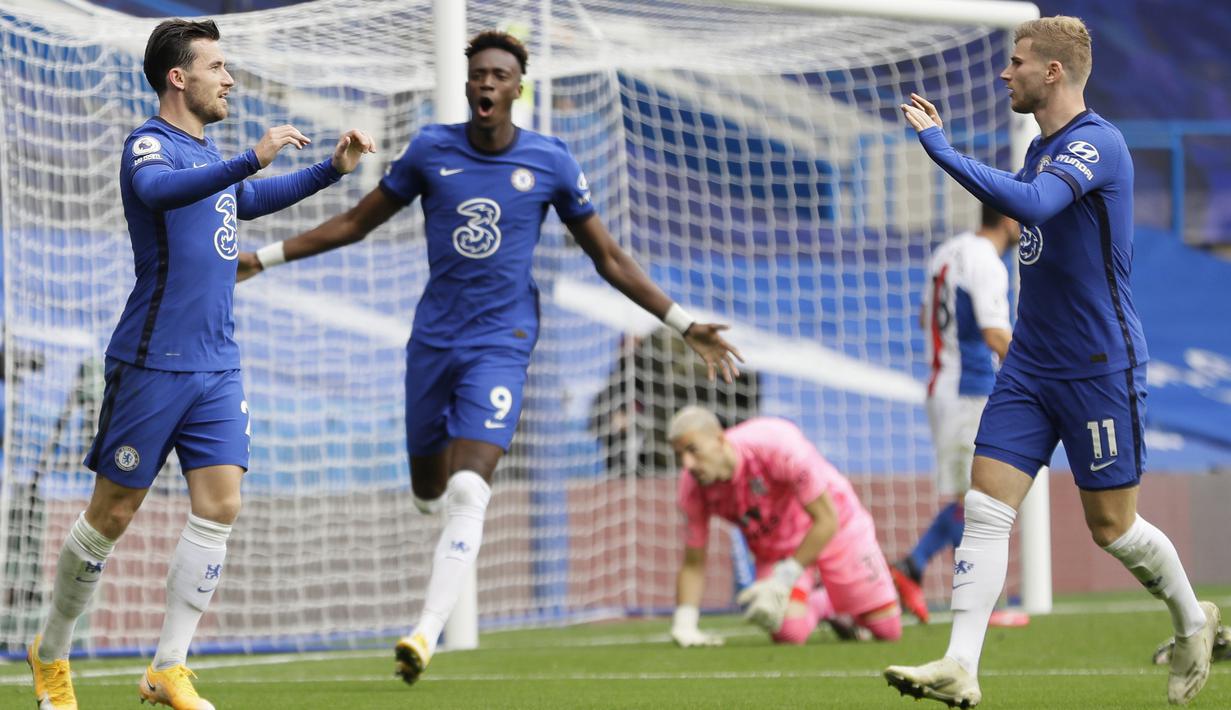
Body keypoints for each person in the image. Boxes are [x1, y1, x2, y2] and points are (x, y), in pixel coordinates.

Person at [236, 31, 742, 686]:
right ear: (468, 83)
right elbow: (357, 222)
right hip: (433, 342)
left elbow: (609, 258)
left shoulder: (549, 160)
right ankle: (431, 517)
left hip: (502, 343)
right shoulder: (430, 149)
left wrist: (683, 323)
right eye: (478, 73)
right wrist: (264, 257)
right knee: (429, 491)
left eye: (499, 75)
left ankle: (424, 632)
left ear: (516, 88)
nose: (485, 83)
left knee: (470, 487)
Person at [25, 19, 374, 710]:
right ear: (178, 77)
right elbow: (159, 192)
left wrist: (331, 169)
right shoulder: (149, 145)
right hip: (153, 361)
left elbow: (247, 200)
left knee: (220, 505)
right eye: (217, 67)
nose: (230, 79)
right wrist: (251, 156)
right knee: (112, 514)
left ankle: (168, 667)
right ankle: (52, 653)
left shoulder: (208, 155)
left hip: (218, 364)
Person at [884, 16, 1220, 708]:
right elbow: (1025, 209)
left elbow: (1034, 205)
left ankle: (1193, 620)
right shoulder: (1040, 149)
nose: (1004, 72)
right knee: (985, 505)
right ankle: (960, 663)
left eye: (1016, 62)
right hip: (1030, 368)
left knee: (1112, 529)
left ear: (1052, 71)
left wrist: (940, 147)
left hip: (1097, 366)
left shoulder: (1097, 143)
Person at [667, 406, 901, 648]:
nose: (687, 464)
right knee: (788, 633)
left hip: (836, 525)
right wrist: (684, 624)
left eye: (693, 450)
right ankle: (821, 605)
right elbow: (693, 562)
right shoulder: (692, 488)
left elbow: (826, 520)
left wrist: (783, 579)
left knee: (887, 629)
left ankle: (837, 598)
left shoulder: (776, 446)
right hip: (777, 549)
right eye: (679, 455)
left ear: (719, 439)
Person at [892, 204, 1017, 624]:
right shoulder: (988, 262)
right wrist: (1039, 376)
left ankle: (914, 566)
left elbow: (923, 317)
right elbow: (995, 333)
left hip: (941, 385)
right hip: (969, 389)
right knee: (982, 500)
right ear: (1009, 220)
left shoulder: (947, 251)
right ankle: (978, 604)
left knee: (973, 498)